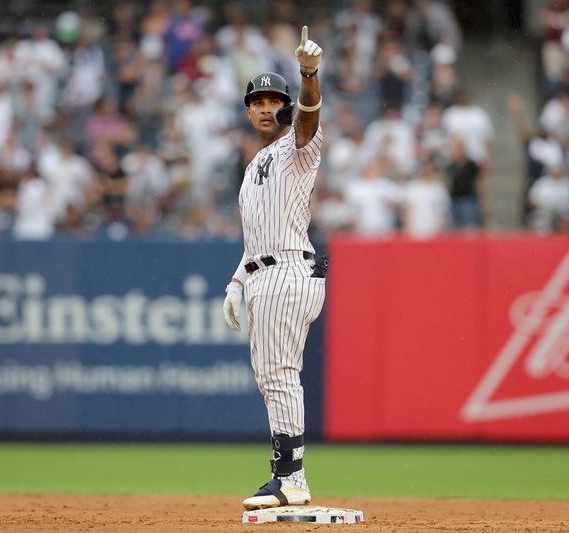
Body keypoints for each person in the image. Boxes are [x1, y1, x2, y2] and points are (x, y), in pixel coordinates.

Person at [222, 26, 324, 511]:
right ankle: (287, 473)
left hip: (288, 270)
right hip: (266, 273)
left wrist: (307, 75)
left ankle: (291, 478)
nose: (265, 107)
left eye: (272, 100)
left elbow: (307, 116)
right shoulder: (253, 169)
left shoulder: (296, 148)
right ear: (247, 111)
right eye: (256, 101)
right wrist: (237, 282)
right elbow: (252, 240)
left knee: (279, 373)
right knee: (271, 375)